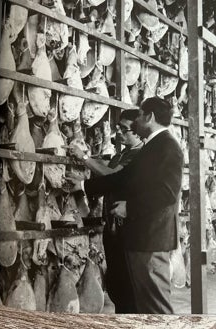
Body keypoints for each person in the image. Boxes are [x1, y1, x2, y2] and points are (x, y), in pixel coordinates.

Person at [68, 97, 184, 314]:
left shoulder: (168, 147)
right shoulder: (154, 145)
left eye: (139, 115)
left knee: (156, 304)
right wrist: (83, 185)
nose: (136, 120)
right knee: (143, 302)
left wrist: (130, 208)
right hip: (143, 237)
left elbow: (167, 194)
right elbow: (123, 178)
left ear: (149, 117)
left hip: (152, 239)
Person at [70, 110, 143, 313]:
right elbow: (107, 166)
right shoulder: (123, 152)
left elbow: (113, 175)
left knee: (127, 282)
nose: (118, 132)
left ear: (138, 131)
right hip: (112, 225)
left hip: (127, 228)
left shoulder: (139, 154)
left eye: (124, 129)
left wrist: (84, 158)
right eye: (117, 127)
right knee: (117, 281)